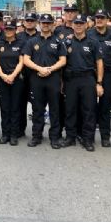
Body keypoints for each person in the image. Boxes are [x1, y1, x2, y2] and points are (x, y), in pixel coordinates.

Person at [22, 13, 66, 149]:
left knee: (55, 109)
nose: (45, 25)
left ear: (52, 24)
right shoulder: (32, 41)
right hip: (37, 78)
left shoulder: (59, 41)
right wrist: (39, 68)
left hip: (53, 79)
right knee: (37, 109)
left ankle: (54, 137)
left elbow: (63, 60)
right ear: (39, 24)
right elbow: (26, 59)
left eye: (48, 23)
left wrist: (50, 69)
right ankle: (37, 136)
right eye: (43, 23)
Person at [62, 14, 104, 151]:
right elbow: (62, 63)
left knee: (89, 110)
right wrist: (62, 83)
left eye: (81, 23)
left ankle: (88, 139)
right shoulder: (66, 42)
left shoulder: (93, 42)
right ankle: (70, 137)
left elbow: (99, 63)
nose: (79, 26)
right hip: (71, 80)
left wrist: (99, 83)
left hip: (88, 80)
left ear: (86, 25)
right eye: (76, 23)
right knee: (70, 110)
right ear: (72, 25)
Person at [0, 20, 25, 145]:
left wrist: (12, 76)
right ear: (4, 30)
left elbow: (21, 61)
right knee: (4, 107)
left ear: (15, 30)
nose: (9, 31)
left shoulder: (21, 43)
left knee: (15, 107)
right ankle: (5, 134)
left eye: (11, 29)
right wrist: (2, 75)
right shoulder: (0, 43)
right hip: (2, 79)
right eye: (7, 29)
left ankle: (14, 134)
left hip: (16, 79)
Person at [87, 9, 111, 147]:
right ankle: (89, 136)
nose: (99, 20)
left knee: (105, 107)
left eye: (102, 17)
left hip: (109, 75)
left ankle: (105, 136)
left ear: (107, 19)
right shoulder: (89, 34)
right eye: (97, 17)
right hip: (91, 74)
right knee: (90, 107)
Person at [16, 12, 39, 138]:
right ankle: (20, 129)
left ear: (36, 22)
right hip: (21, 74)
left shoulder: (41, 36)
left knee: (37, 104)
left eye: (32, 20)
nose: (29, 22)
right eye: (27, 20)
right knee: (20, 103)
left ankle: (37, 131)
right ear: (24, 22)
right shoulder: (18, 36)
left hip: (36, 74)